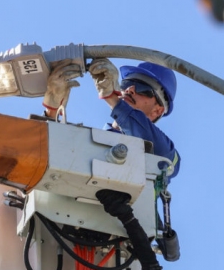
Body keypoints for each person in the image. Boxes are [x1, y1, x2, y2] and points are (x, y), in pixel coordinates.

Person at [41, 59, 180, 181]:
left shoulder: (164, 156)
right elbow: (47, 157)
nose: (130, 89)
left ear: (157, 110)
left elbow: (167, 160)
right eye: (127, 83)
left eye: (143, 88)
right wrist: (52, 112)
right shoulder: (90, 142)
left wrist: (111, 98)